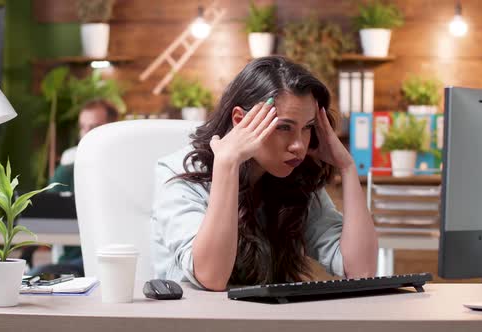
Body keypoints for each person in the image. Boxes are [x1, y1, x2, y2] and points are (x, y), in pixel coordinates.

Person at [150, 56, 378, 291]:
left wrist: (348, 168)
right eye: (283, 127)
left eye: (307, 127)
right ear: (240, 120)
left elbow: (361, 271)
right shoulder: (179, 174)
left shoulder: (294, 178)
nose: (298, 145)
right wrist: (227, 164)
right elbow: (211, 276)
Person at [26, 99, 119, 276]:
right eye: (83, 127)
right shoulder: (67, 172)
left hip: (115, 258)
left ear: (112, 128)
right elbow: (46, 217)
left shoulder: (127, 169)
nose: (86, 134)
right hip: (77, 261)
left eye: (93, 127)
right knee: (34, 274)